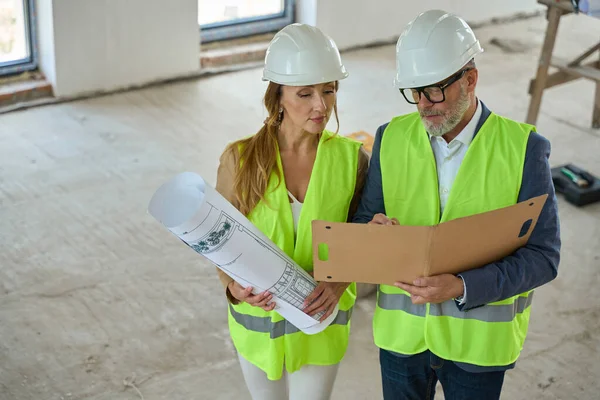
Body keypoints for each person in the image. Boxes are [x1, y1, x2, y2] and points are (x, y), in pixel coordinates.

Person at [352, 10, 561, 400]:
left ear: (470, 79)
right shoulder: (390, 138)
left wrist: (462, 286)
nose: (423, 105)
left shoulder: (524, 149)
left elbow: (543, 257)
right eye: (415, 92)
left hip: (476, 351)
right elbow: (365, 219)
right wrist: (372, 234)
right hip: (402, 344)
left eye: (434, 90)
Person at [214, 23, 369, 400]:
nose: (321, 105)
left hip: (321, 325)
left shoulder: (353, 161)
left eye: (329, 90)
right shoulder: (240, 160)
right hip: (258, 329)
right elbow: (216, 241)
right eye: (305, 94)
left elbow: (364, 236)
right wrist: (233, 288)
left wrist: (340, 282)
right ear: (278, 96)